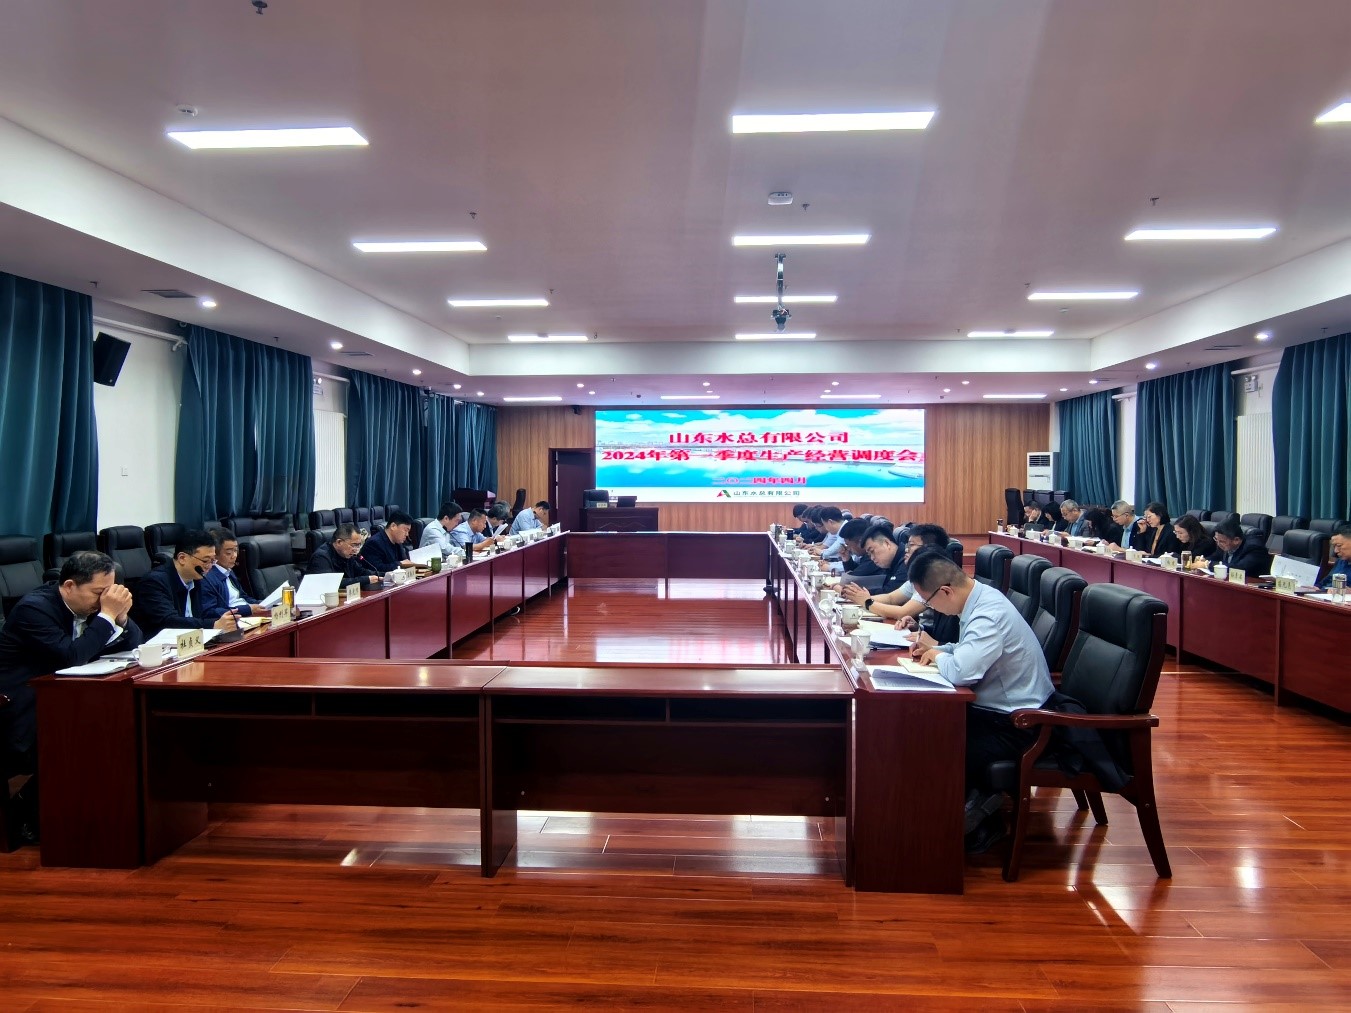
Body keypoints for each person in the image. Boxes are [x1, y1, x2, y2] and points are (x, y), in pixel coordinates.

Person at [905, 549, 1055, 854]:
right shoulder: (980, 598)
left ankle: (975, 823)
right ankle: (934, 816)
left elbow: (963, 672)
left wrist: (937, 656)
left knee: (935, 741)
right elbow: (967, 649)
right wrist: (942, 650)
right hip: (999, 712)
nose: (930, 608)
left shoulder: (988, 614)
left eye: (929, 602)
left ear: (945, 591)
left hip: (1018, 724)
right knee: (922, 727)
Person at [0, 551, 145, 843]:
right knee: (89, 736)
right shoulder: (34, 609)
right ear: (69, 586)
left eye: (110, 593)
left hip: (60, 699)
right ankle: (28, 814)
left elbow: (134, 641)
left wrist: (121, 617)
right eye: (99, 593)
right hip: (18, 707)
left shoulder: (88, 610)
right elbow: (72, 656)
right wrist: (107, 616)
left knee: (122, 728)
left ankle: (98, 816)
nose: (105, 601)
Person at [134, 530, 241, 638]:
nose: (209, 566)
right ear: (182, 558)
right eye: (205, 561)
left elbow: (200, 616)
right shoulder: (154, 582)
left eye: (213, 561)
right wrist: (213, 625)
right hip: (159, 644)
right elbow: (169, 621)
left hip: (191, 642)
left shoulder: (196, 578)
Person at [841, 523, 949, 621]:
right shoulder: (919, 573)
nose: (906, 549)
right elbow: (891, 598)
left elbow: (903, 612)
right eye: (907, 545)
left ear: (929, 548)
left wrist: (867, 601)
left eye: (911, 545)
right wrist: (858, 597)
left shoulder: (933, 577)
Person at [200, 531, 261, 620]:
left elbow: (243, 597)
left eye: (235, 551)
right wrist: (247, 609)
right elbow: (210, 612)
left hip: (246, 615)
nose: (234, 556)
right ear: (214, 554)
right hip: (233, 619)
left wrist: (261, 604)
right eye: (228, 553)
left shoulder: (229, 571)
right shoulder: (207, 578)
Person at [307, 523, 384, 590]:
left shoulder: (347, 555)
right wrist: (366, 580)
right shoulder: (321, 557)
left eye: (359, 545)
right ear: (339, 542)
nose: (356, 549)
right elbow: (332, 583)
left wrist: (385, 575)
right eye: (354, 545)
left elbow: (362, 572)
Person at [1319, 523, 1351, 589]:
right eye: (1334, 546)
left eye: (1339, 545)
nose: (1335, 551)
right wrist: (1317, 588)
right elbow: (1325, 582)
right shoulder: (1341, 561)